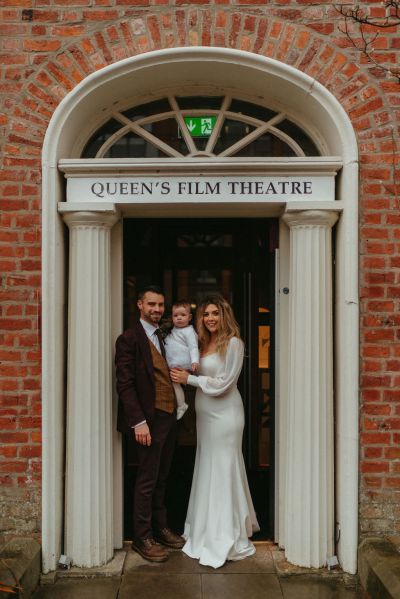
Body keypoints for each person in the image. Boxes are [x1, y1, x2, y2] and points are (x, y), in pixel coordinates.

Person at [170, 294, 260, 569]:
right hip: (205, 416)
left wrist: (190, 379)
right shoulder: (200, 343)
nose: (210, 318)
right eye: (206, 314)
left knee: (223, 467)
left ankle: (224, 533)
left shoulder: (234, 343)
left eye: (215, 313)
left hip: (227, 415)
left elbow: (224, 383)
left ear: (224, 316)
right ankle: (203, 529)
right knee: (207, 465)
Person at [115, 285, 184, 563]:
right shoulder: (128, 339)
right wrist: (138, 422)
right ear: (139, 305)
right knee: (146, 478)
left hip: (168, 416)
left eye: (160, 305)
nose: (157, 309)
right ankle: (142, 537)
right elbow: (125, 384)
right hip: (148, 420)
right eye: (151, 304)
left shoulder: (166, 336)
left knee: (163, 475)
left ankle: (160, 527)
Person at [165, 300, 200, 420]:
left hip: (181, 362)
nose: (179, 318)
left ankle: (181, 405)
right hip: (174, 362)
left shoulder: (189, 331)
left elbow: (193, 347)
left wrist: (195, 361)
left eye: (183, 315)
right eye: (176, 315)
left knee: (175, 383)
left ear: (190, 317)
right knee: (174, 384)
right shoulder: (174, 330)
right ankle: (180, 404)